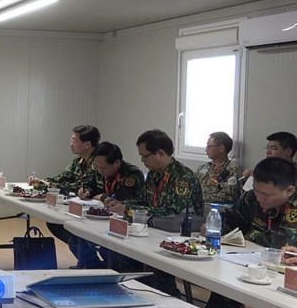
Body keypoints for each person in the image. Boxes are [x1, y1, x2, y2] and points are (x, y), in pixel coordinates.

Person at [206, 157, 297, 308]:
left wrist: (249, 235)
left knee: (271, 307)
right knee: (223, 291)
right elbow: (232, 219)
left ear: (289, 190)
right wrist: (214, 225)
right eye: (257, 191)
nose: (260, 198)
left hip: (283, 275)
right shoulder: (251, 198)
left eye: (266, 195)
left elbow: (283, 241)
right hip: (246, 263)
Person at [108, 129, 203, 295]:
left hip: (178, 234)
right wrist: (121, 203)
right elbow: (144, 201)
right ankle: (135, 292)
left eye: (144, 156)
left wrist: (129, 210)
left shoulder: (182, 178)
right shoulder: (153, 174)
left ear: (160, 154)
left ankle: (164, 296)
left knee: (151, 265)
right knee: (119, 251)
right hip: (152, 229)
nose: (142, 161)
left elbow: (170, 213)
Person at [28, 125, 102, 261]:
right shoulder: (78, 162)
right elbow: (61, 178)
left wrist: (47, 185)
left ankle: (90, 262)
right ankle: (88, 260)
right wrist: (41, 182)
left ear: (87, 144)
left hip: (96, 212)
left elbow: (76, 187)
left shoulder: (98, 162)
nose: (71, 143)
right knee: (54, 222)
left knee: (64, 227)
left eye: (74, 140)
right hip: (79, 207)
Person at [74, 142, 145, 268]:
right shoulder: (99, 168)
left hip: (124, 224)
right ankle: (95, 269)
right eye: (97, 167)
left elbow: (117, 201)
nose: (100, 171)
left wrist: (101, 196)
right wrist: (87, 191)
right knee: (74, 239)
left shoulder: (131, 175)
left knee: (108, 250)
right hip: (100, 219)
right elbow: (89, 186)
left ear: (117, 163)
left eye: (104, 168)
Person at [195, 131, 241, 204]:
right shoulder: (203, 168)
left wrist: (201, 199)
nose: (206, 149)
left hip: (217, 209)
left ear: (221, 148)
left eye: (209, 146)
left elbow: (229, 196)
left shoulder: (232, 170)